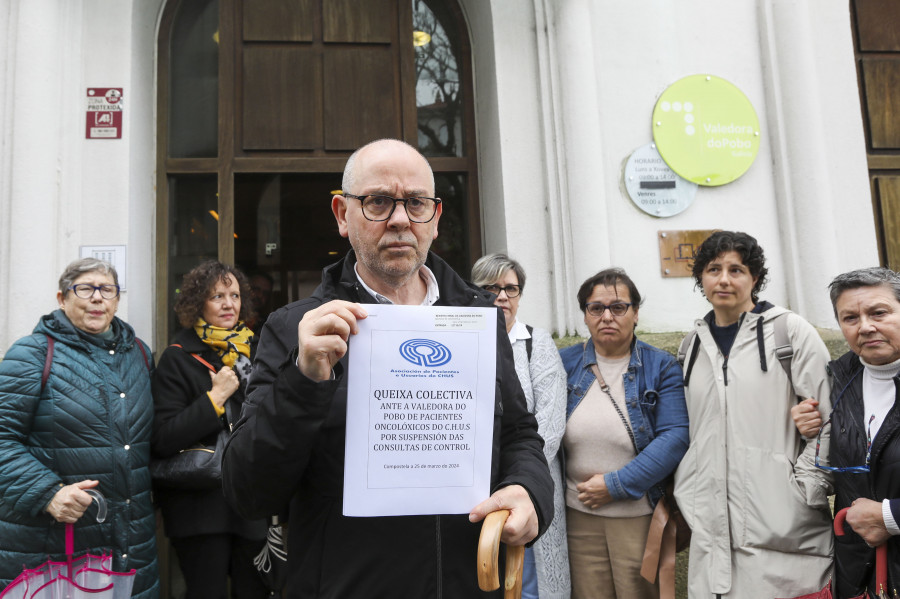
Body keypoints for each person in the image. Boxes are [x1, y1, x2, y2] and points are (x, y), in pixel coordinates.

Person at [222, 138, 554, 598]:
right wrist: (303, 380)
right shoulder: (295, 329)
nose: (400, 219)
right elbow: (248, 490)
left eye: (416, 203)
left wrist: (529, 490)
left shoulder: (478, 320)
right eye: (378, 202)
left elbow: (518, 432)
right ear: (342, 215)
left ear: (435, 219)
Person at [674, 231, 833, 598]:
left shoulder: (789, 333)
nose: (724, 279)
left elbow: (833, 421)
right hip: (711, 531)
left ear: (755, 277)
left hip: (783, 530)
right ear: (701, 278)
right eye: (714, 269)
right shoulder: (691, 345)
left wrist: (802, 488)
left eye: (737, 269)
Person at [0, 258, 159, 598]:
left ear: (117, 299)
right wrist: (48, 493)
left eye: (107, 289)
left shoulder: (140, 354)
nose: (97, 298)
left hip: (132, 542)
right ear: (62, 298)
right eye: (85, 288)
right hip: (55, 547)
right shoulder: (32, 354)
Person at [558, 268, 688, 599]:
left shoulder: (661, 367)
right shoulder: (564, 363)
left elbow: (675, 436)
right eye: (596, 308)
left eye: (618, 307)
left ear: (636, 313)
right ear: (585, 315)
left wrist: (616, 486)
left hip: (639, 517)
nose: (607, 316)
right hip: (577, 518)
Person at [151, 260, 268, 599]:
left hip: (250, 501)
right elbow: (163, 438)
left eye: (234, 295)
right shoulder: (178, 356)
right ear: (197, 303)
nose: (229, 304)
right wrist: (215, 399)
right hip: (199, 509)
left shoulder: (256, 350)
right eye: (217, 296)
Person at [792, 267, 900, 598]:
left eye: (879, 312)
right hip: (859, 575)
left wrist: (890, 516)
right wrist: (808, 431)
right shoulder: (837, 382)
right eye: (850, 317)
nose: (866, 326)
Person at [471, 253, 570, 599]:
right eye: (490, 288)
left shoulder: (535, 343)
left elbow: (551, 424)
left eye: (511, 289)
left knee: (528, 584)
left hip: (528, 484)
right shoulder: (465, 339)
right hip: (475, 490)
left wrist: (517, 473)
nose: (501, 297)